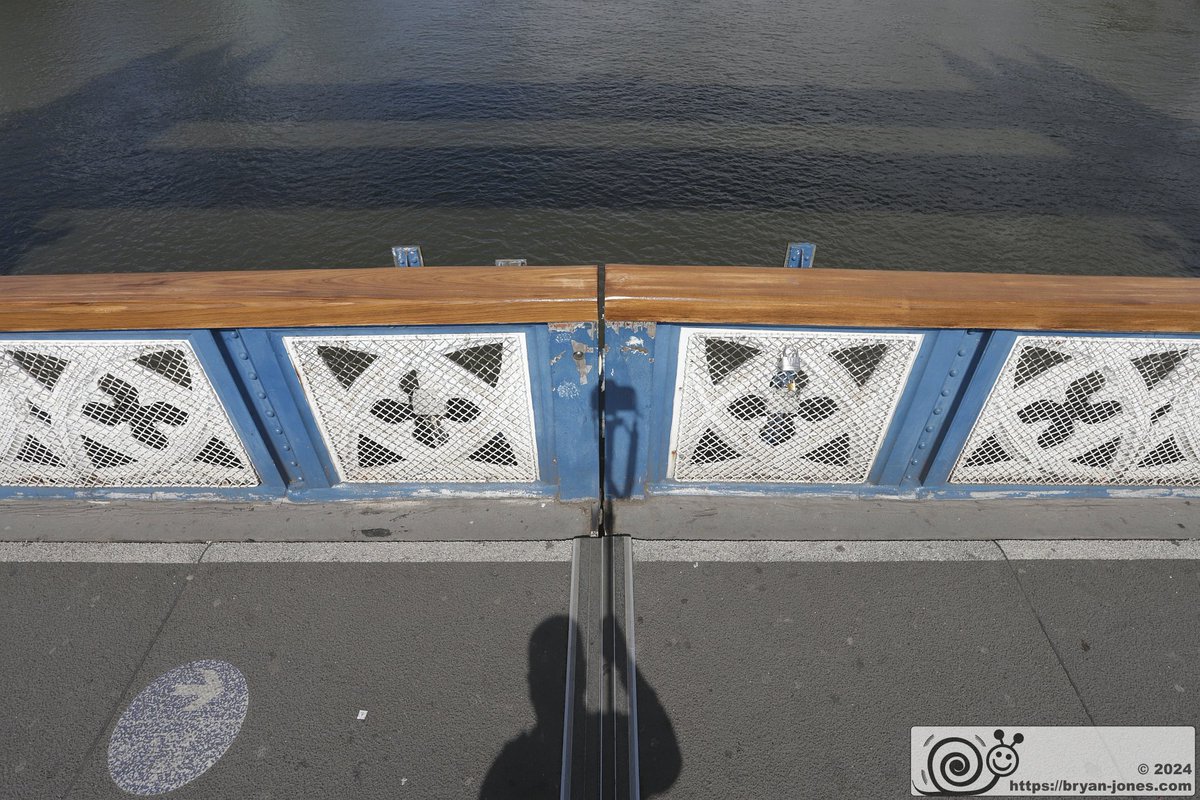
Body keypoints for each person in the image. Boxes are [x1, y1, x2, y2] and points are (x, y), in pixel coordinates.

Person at [479, 614, 681, 799]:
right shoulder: (616, 730)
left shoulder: (513, 764)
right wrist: (621, 659)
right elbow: (668, 763)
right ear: (583, 678)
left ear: (531, 684)